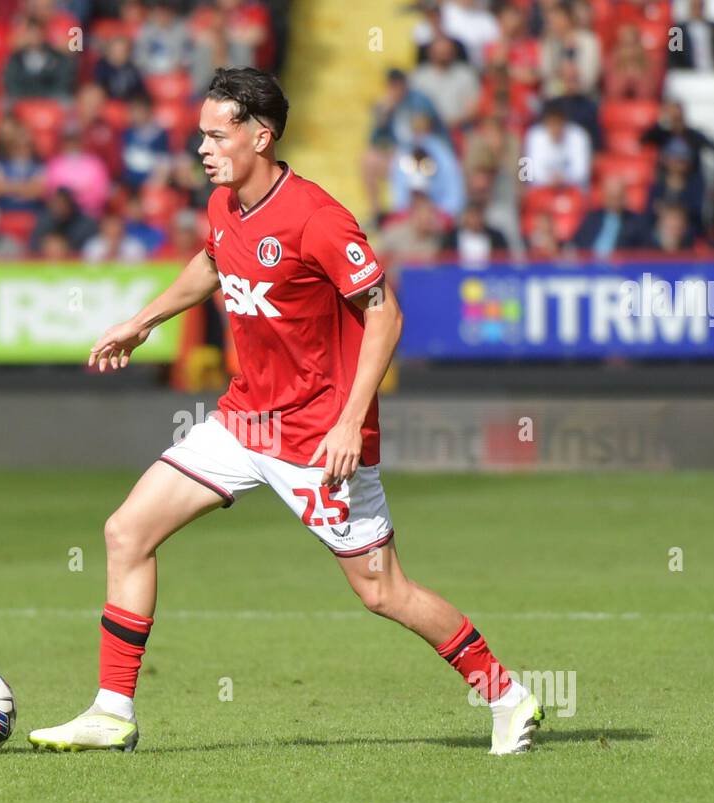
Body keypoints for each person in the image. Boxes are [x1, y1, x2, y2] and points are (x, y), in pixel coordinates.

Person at [27, 67, 544, 757]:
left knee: (383, 591)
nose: (203, 148)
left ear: (260, 136)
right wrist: (142, 320)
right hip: (245, 420)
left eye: (217, 135)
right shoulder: (222, 203)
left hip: (315, 436)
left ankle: (508, 696)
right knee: (127, 531)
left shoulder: (316, 217)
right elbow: (212, 263)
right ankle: (112, 710)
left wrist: (348, 423)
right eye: (199, 135)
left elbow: (385, 315)